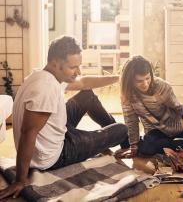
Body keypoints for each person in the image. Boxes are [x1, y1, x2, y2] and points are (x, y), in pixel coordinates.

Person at [0, 36, 129, 200]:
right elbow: (28, 133)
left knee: (86, 95)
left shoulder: (42, 75)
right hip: (54, 156)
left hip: (52, 134)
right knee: (122, 129)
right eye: (73, 67)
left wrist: (119, 78)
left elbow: (84, 82)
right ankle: (122, 143)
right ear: (55, 63)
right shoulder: (46, 88)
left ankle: (112, 142)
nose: (78, 71)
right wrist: (19, 180)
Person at [119, 55, 183, 158]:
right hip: (155, 131)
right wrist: (134, 146)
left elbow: (179, 109)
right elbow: (131, 121)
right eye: (139, 81)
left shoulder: (162, 87)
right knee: (145, 148)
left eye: (148, 78)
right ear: (130, 80)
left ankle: (180, 143)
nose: (145, 84)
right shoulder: (127, 94)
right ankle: (180, 145)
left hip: (177, 127)